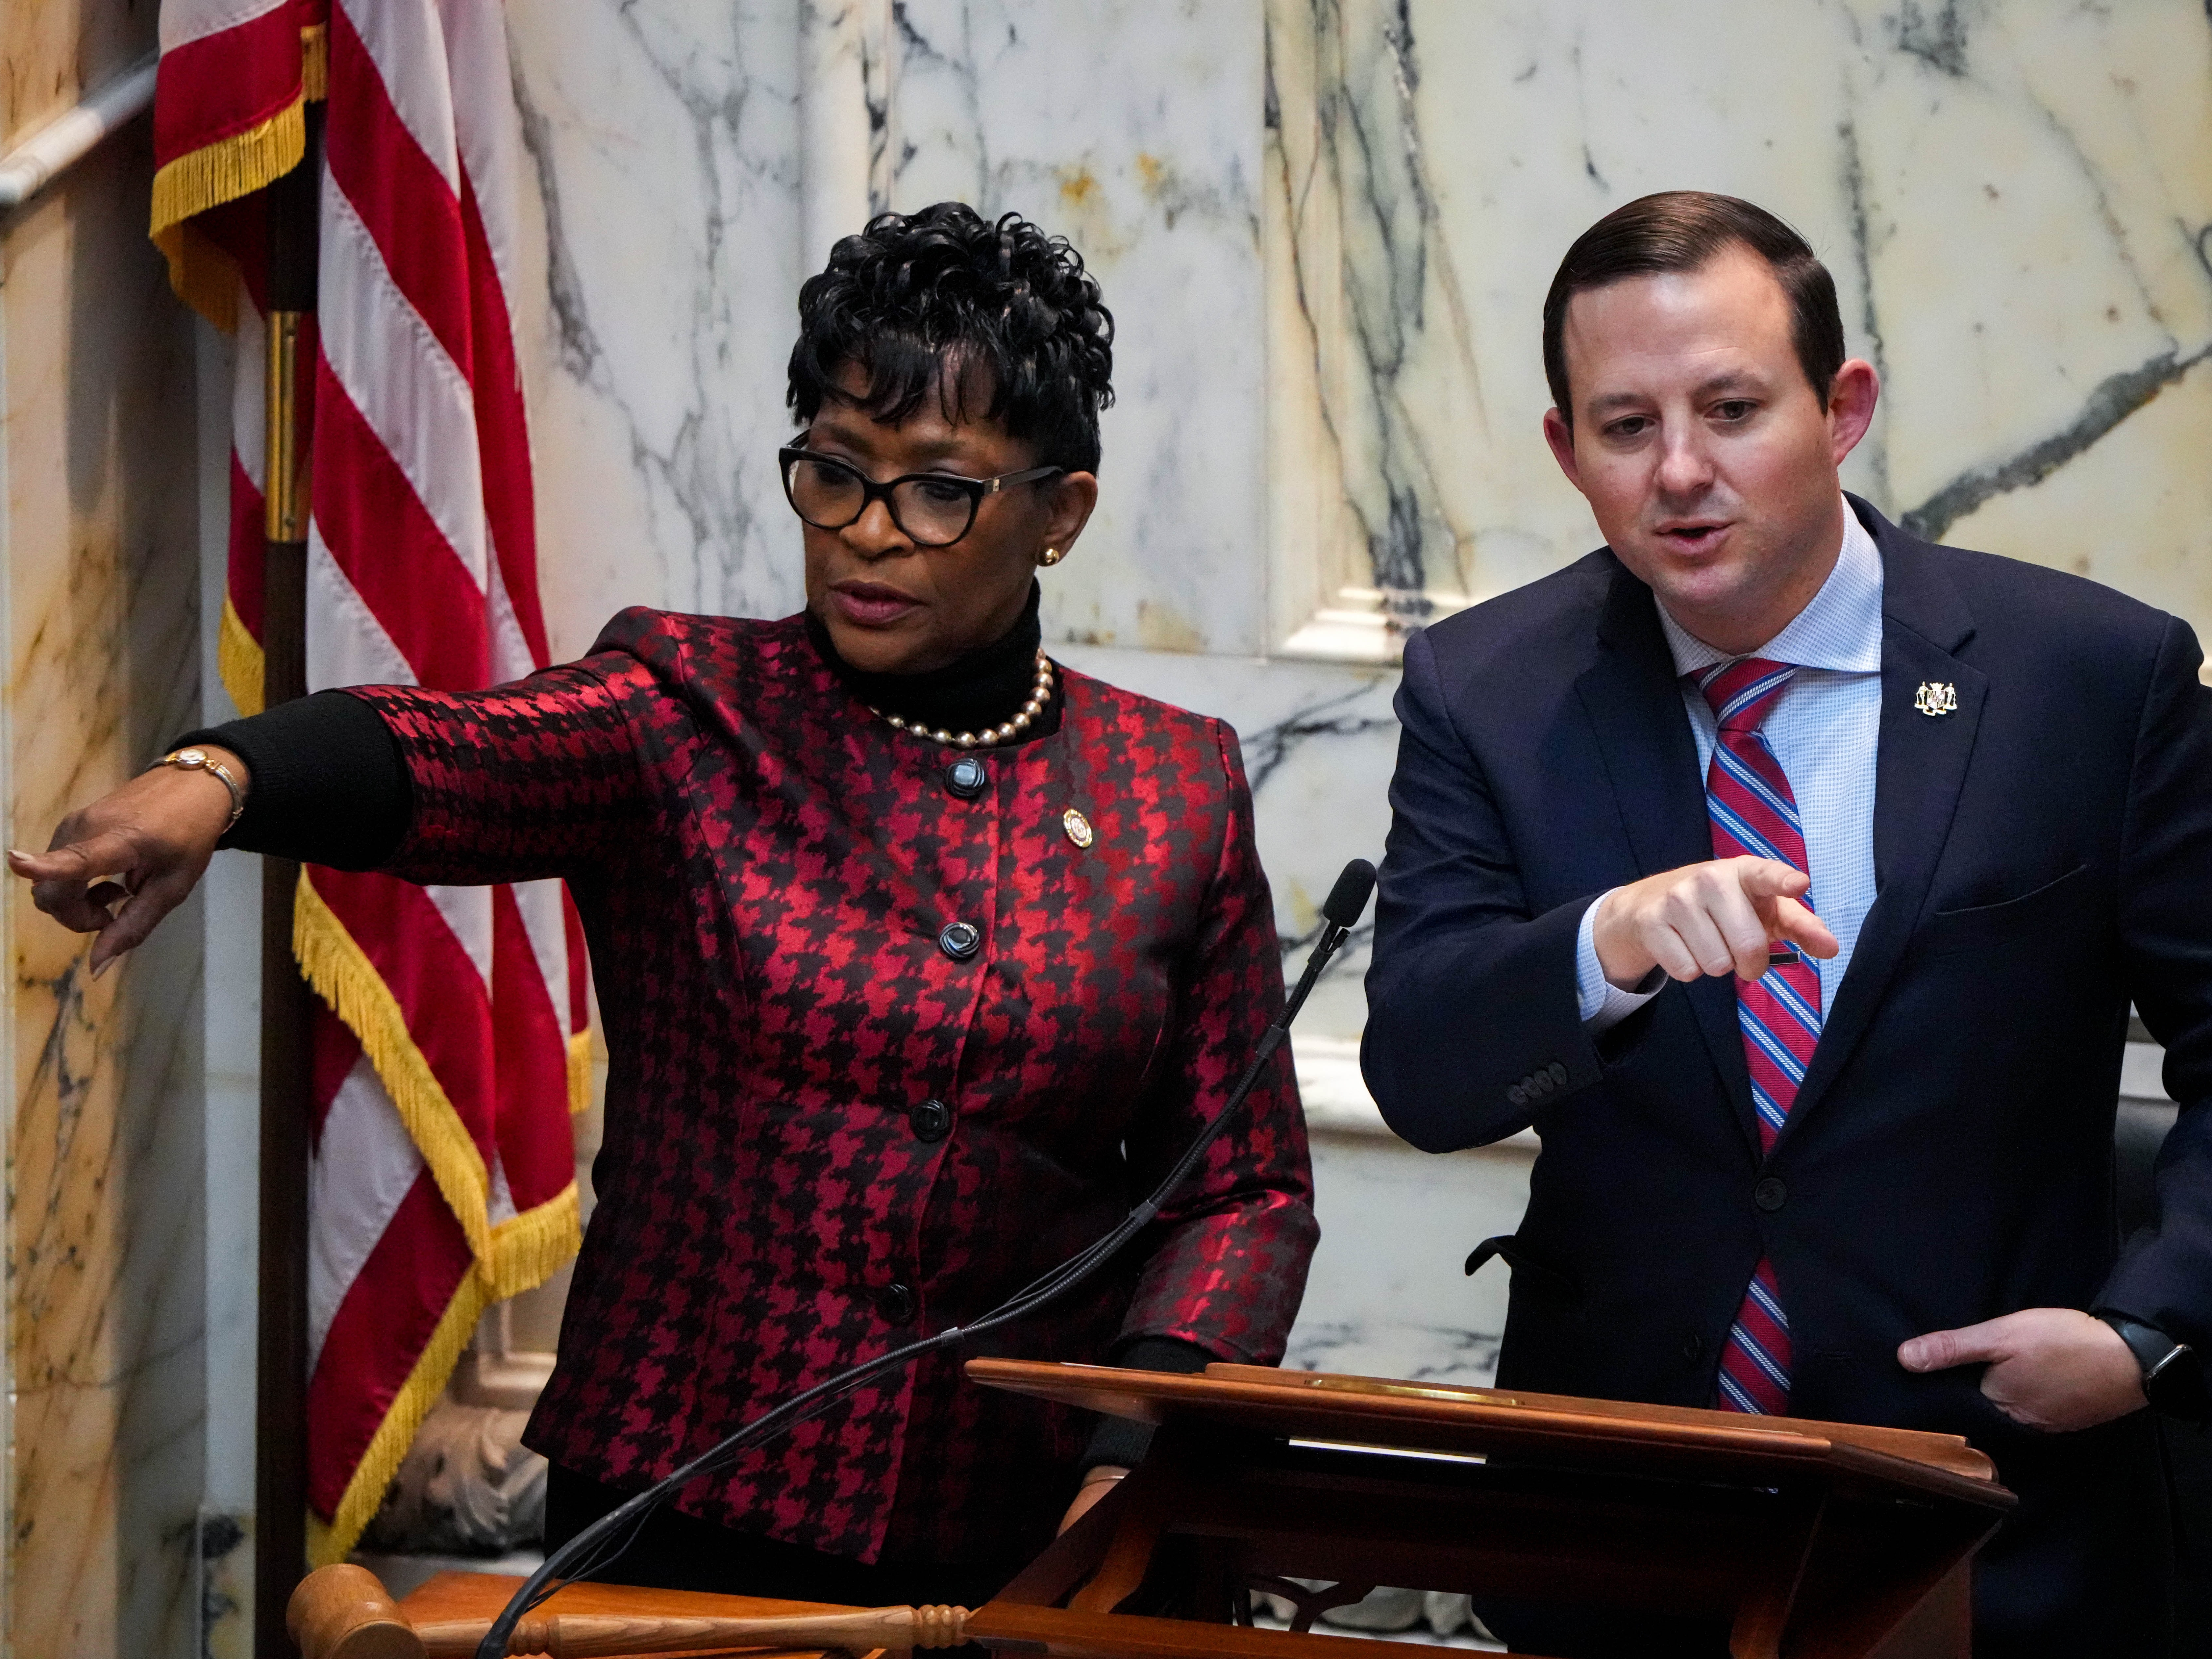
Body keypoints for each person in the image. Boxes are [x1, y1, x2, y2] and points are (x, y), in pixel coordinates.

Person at [12, 203, 1318, 1608]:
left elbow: (1236, 1186)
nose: (868, 534)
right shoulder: (685, 708)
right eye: (833, 471)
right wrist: (216, 781)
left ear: (1058, 512)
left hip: (1032, 1530)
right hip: (691, 1508)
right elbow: (443, 752)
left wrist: (1135, 1441)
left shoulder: (1167, 786)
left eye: (937, 488)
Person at [1362, 191, 2210, 1656]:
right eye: (1623, 428)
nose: (1680, 473)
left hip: (1992, 1511)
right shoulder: (1484, 690)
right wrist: (1600, 948)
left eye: (1732, 409)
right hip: (1620, 1527)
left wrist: (2144, 1332)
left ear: (1842, 406)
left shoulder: (2086, 678)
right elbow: (1422, 1078)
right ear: (1566, 452)